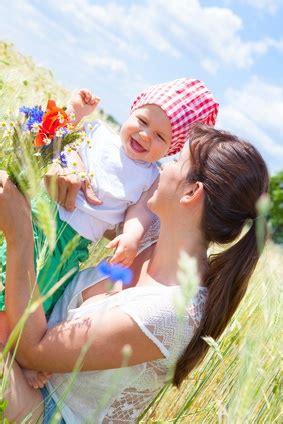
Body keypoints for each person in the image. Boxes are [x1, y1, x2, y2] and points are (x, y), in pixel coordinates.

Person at [0, 124, 269, 423]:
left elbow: (32, 353)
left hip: (49, 410)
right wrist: (70, 168)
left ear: (191, 192)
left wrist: (20, 236)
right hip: (24, 359)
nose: (162, 168)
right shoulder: (150, 233)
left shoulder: (170, 313)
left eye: (177, 161)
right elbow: (97, 181)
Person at [0, 78, 219, 319]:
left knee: (34, 297)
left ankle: (6, 336)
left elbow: (139, 213)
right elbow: (58, 135)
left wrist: (131, 238)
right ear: (132, 111)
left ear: (170, 149)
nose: (145, 135)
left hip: (71, 247)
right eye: (142, 121)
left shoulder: (150, 177)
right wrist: (76, 110)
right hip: (35, 217)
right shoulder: (97, 132)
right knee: (6, 268)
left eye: (159, 137)